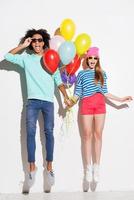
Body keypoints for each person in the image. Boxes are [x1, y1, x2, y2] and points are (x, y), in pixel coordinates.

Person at [4, 29, 71, 193]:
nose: (37, 43)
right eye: (33, 40)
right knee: (30, 133)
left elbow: (58, 81)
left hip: (48, 102)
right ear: (31, 42)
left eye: (39, 40)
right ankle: (31, 169)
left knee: (49, 132)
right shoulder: (26, 59)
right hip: (32, 102)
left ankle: (49, 168)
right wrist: (22, 46)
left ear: (44, 41)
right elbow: (7, 56)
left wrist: (66, 97)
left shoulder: (51, 58)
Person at [69, 47, 133, 192]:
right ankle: (87, 169)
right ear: (86, 59)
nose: (92, 61)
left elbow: (105, 92)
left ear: (98, 60)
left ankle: (96, 167)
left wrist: (120, 99)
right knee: (86, 136)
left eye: (95, 58)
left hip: (99, 105)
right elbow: (78, 92)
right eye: (90, 58)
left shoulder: (102, 73)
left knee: (98, 135)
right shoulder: (81, 74)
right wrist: (70, 101)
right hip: (86, 104)